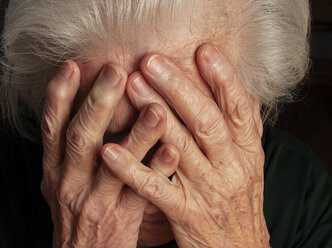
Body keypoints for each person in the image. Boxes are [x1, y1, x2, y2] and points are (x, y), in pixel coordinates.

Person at [1, 0, 331, 247]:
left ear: (246, 105)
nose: (149, 182)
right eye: (113, 135)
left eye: (185, 129)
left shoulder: (303, 194)